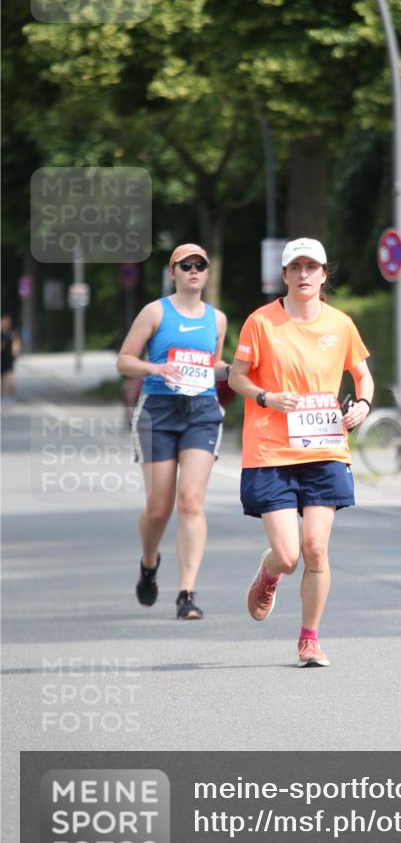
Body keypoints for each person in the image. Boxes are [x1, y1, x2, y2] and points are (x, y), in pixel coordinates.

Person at [229, 237, 374, 667]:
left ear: (325, 274)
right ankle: (270, 571)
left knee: (315, 548)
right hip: (271, 451)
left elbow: (362, 376)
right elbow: (237, 376)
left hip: (325, 447)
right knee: (290, 556)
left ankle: (309, 638)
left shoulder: (341, 324)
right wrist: (266, 397)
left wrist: (363, 406)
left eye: (313, 267)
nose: (305, 274)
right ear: (286, 274)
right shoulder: (261, 322)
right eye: (297, 267)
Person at [117, 244, 227, 620]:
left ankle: (187, 593)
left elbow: (213, 364)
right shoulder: (156, 312)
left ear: (208, 273)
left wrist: (235, 369)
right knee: (158, 509)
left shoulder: (218, 319)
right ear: (173, 272)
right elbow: (124, 360)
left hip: (201, 411)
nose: (194, 270)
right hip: (158, 412)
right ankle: (149, 563)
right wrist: (155, 369)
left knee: (192, 501)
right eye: (186, 265)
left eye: (201, 265)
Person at [1, 314, 21, 407]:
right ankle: (3, 397)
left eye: (7, 321)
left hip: (9, 360)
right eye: (4, 321)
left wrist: (16, 352)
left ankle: (8, 397)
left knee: (10, 380)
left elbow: (16, 345)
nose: (5, 323)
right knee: (2, 382)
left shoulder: (12, 333)